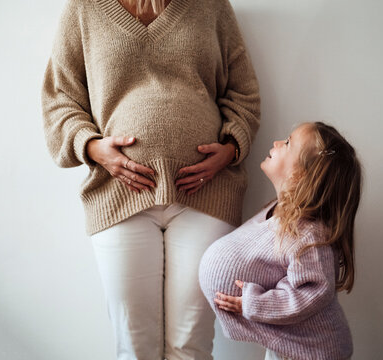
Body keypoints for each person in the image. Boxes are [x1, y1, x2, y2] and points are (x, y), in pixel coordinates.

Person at [41, 0, 260, 358]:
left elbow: (244, 92)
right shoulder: (83, 9)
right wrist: (94, 148)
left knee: (190, 343)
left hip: (206, 195)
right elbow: (59, 99)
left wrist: (232, 148)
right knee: (134, 345)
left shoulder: (212, 7)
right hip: (118, 195)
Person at [199, 122, 362, 360]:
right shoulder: (279, 211)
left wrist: (254, 304)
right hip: (287, 346)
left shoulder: (308, 235)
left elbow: (310, 293)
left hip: (311, 353)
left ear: (300, 174)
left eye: (287, 142)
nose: (277, 143)